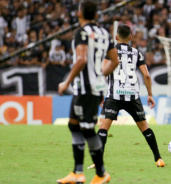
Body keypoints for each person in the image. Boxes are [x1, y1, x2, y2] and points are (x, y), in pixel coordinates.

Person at [57, 0, 119, 184]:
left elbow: (82, 59)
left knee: (85, 129)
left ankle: (101, 173)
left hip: (86, 88)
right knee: (74, 125)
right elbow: (115, 61)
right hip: (93, 87)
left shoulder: (81, 32)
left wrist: (66, 81)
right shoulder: (104, 33)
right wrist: (100, 75)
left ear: (80, 13)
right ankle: (78, 173)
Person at [90, 24, 165, 168]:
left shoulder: (109, 51)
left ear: (116, 37)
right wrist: (150, 94)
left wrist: (100, 94)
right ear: (130, 38)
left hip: (114, 95)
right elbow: (147, 75)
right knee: (145, 127)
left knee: (103, 128)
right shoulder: (137, 53)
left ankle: (97, 162)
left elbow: (102, 73)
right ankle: (158, 158)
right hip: (132, 96)